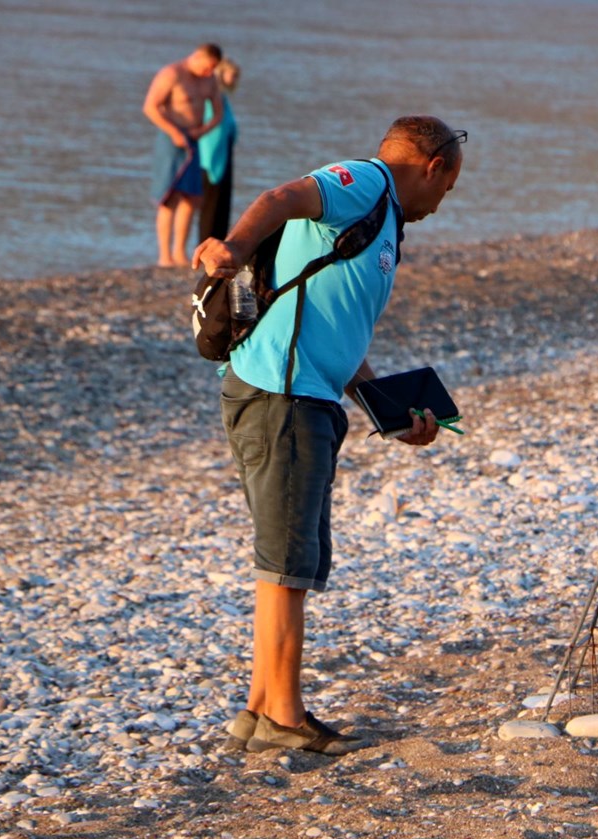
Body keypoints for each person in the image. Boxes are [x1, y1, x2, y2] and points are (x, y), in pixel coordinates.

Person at [192, 116, 466, 754]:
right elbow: (280, 198)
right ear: (434, 167)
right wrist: (231, 249)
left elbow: (338, 337)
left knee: (291, 558)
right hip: (281, 397)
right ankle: (285, 718)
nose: (442, 203)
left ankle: (260, 708)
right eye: (447, 190)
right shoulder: (366, 183)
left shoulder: (383, 219)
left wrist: (389, 415)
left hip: (304, 397)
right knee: (289, 562)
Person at [143, 43, 224, 267]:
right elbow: (150, 107)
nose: (208, 72)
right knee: (168, 198)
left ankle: (179, 252)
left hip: (194, 138)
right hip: (171, 139)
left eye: (212, 69)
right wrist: (173, 132)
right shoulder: (172, 74)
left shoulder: (209, 81)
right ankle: (164, 255)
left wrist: (202, 131)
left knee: (191, 197)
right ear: (197, 57)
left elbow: (218, 113)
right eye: (207, 67)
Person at [197, 58, 240, 242]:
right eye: (233, 75)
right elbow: (212, 130)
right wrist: (210, 160)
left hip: (224, 154)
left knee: (222, 204)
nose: (236, 79)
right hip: (213, 157)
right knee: (211, 204)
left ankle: (219, 241)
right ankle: (207, 243)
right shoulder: (213, 98)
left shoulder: (222, 98)